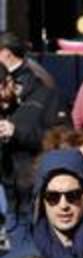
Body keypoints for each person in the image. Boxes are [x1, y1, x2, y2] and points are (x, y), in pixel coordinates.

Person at [0, 62, 67, 247]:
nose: (2, 103)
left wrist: (17, 132)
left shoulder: (46, 97)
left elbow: (60, 139)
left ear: (9, 82)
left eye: (1, 96)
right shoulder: (7, 107)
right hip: (12, 200)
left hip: (39, 197)